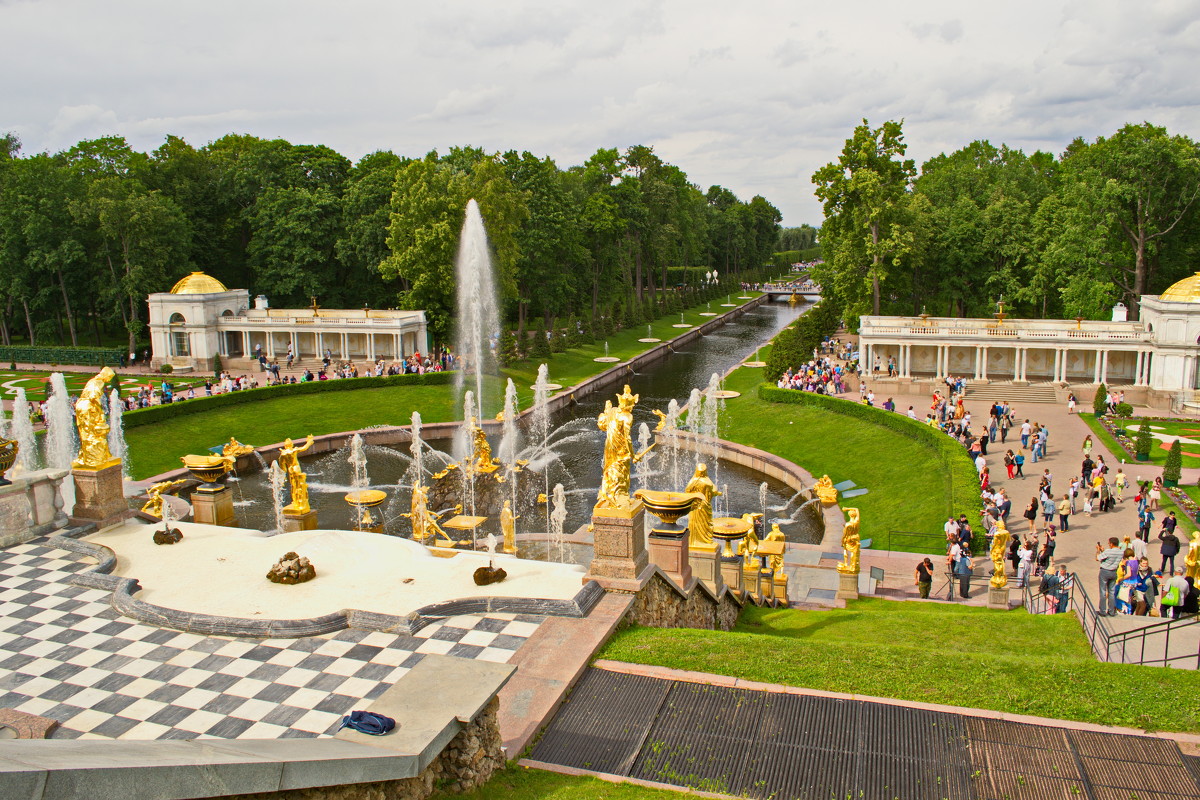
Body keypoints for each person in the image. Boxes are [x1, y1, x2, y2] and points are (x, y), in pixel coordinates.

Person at [1096, 537, 1124, 616]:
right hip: (1113, 572)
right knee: (1111, 592)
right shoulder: (1121, 552)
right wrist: (1103, 551)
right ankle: (1111, 611)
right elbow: (1110, 558)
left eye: (1109, 544)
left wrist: (1098, 550)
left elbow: (1098, 558)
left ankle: (1102, 611)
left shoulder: (1108, 551)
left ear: (1111, 544)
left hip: (1104, 571)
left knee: (1103, 592)